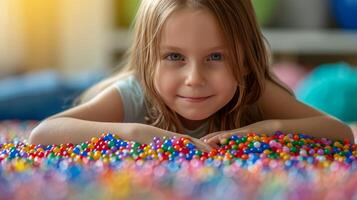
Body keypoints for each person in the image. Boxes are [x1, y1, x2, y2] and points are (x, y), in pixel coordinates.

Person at [29, 0, 354, 151]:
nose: (194, 78)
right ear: (147, 60)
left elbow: (340, 132)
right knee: (50, 87)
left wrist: (268, 128)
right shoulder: (133, 93)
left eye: (215, 56)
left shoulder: (253, 90)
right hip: (102, 81)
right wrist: (135, 133)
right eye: (174, 56)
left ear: (243, 61)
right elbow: (44, 132)